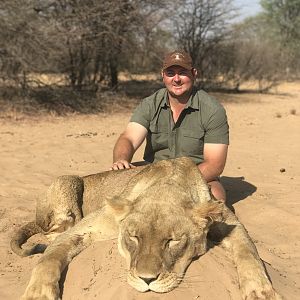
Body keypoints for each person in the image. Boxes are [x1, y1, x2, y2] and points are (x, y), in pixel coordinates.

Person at [110, 50, 229, 201]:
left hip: (194, 175)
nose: (176, 79)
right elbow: (129, 138)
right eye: (171, 73)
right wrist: (121, 159)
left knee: (216, 197)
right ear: (163, 75)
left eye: (183, 72)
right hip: (154, 171)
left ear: (194, 73)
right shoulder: (149, 104)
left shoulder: (213, 110)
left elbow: (214, 164)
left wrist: (175, 182)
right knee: (114, 188)